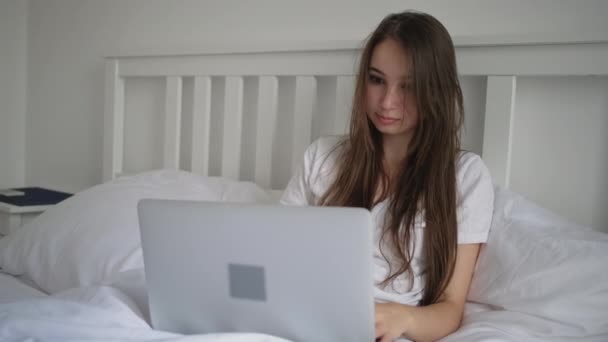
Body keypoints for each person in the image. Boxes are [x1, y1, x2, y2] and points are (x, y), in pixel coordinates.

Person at [280, 10, 494, 342]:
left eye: (408, 86)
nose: (388, 102)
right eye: (376, 79)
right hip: (303, 317)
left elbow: (450, 309)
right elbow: (276, 255)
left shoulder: (465, 176)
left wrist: (403, 318)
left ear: (435, 90)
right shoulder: (322, 157)